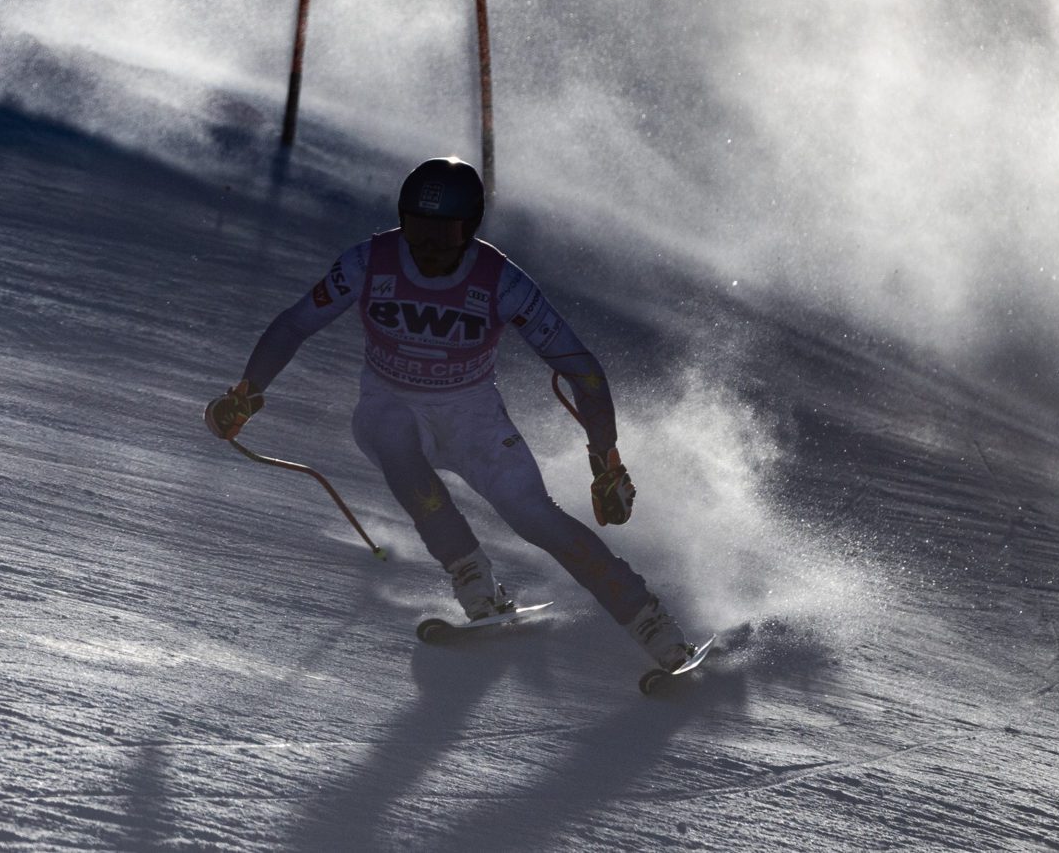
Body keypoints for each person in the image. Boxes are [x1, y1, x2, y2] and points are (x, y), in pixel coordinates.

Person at [206, 156, 694, 669]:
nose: (430, 246)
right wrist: (246, 394)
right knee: (391, 435)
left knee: (536, 518)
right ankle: (473, 579)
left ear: (471, 228)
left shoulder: (501, 280)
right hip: (390, 402)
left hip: (473, 418)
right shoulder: (367, 262)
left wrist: (606, 461)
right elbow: (294, 324)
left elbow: (582, 369)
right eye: (418, 228)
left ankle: (652, 624)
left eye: (446, 232)